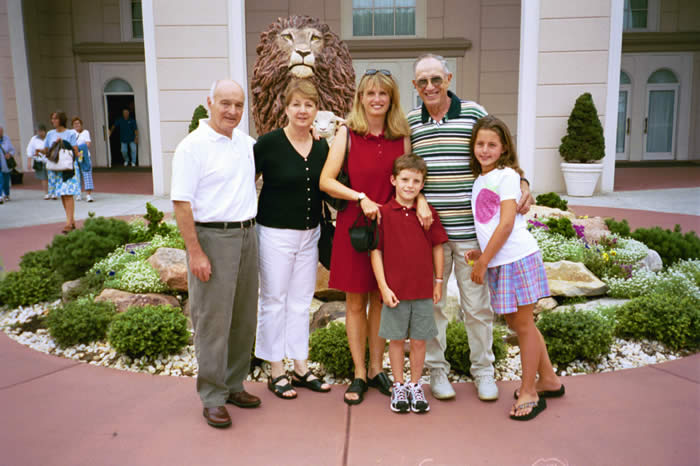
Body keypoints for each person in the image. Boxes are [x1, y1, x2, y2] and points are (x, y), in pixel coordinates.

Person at [407, 53, 534, 401]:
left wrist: (523, 183)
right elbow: (406, 169)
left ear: (448, 79)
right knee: (433, 307)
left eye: (436, 79)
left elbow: (501, 155)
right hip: (430, 238)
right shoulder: (411, 123)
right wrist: (420, 199)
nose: (430, 86)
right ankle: (437, 371)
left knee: (477, 307)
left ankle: (483, 371)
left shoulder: (474, 113)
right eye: (422, 81)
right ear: (415, 86)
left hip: (471, 237)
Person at [171, 79, 260, 429]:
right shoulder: (192, 147)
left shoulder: (246, 144)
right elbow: (181, 204)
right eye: (225, 103)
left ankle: (234, 384)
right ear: (209, 102)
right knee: (212, 321)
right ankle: (212, 396)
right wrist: (195, 252)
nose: (232, 111)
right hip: (212, 237)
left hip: (247, 235)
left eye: (238, 105)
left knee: (243, 317)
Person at [320, 69, 412, 405]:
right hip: (355, 228)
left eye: (383, 94)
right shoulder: (347, 134)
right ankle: (359, 372)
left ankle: (376, 369)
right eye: (370, 93)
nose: (376, 99)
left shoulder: (402, 137)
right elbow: (326, 180)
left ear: (391, 99)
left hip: (390, 229)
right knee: (356, 303)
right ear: (361, 98)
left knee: (380, 301)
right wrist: (360, 197)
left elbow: (411, 179)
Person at [465, 115, 563, 421]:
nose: (485, 150)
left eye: (492, 144)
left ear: (504, 147)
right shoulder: (481, 180)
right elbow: (491, 222)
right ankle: (549, 380)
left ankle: (530, 391)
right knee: (520, 324)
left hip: (517, 259)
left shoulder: (507, 176)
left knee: (523, 325)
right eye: (480, 144)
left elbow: (507, 223)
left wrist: (483, 262)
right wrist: (482, 253)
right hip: (500, 260)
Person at [254, 79, 331, 399]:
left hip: (310, 235)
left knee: (301, 302)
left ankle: (300, 367)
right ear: (285, 108)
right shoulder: (268, 144)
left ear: (317, 110)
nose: (303, 110)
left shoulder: (322, 146)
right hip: (274, 234)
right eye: (296, 104)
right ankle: (276, 370)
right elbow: (246, 182)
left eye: (309, 104)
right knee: (274, 301)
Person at [370, 154, 448, 414]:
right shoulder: (383, 214)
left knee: (419, 341)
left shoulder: (427, 214)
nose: (409, 185)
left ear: (422, 184)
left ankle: (415, 385)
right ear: (393, 180)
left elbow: (437, 247)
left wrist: (438, 282)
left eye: (416, 181)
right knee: (395, 340)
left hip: (422, 290)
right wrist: (383, 287)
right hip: (395, 292)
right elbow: (376, 251)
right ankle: (399, 385)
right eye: (404, 179)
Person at [41, 111, 80, 233]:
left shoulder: (70, 133)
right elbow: (46, 150)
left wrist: (63, 144)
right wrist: (53, 146)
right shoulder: (50, 134)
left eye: (55, 118)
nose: (53, 121)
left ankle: (68, 223)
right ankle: (71, 220)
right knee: (63, 194)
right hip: (56, 168)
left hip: (67, 168)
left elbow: (75, 150)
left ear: (61, 120)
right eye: (52, 118)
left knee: (68, 194)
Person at [72, 117, 95, 202]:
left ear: (81, 124)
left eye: (78, 123)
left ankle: (88, 195)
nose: (77, 125)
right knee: (77, 176)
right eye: (75, 124)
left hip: (84, 156)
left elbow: (88, 144)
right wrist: (76, 151)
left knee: (87, 174)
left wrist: (78, 149)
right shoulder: (71, 133)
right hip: (75, 157)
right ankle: (78, 193)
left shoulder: (85, 132)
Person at [26, 124, 51, 200]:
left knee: (51, 176)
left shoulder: (49, 138)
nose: (40, 133)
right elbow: (30, 150)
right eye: (39, 131)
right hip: (39, 160)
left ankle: (53, 192)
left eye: (41, 131)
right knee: (43, 178)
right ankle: (46, 193)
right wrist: (29, 162)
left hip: (49, 160)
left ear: (45, 131)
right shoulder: (34, 139)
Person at [0, 125, 17, 203]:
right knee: (0, 180)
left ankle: (6, 194)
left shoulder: (6, 139)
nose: (1, 133)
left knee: (6, 181)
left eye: (1, 131)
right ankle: (0, 196)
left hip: (5, 164)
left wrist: (9, 154)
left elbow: (12, 150)